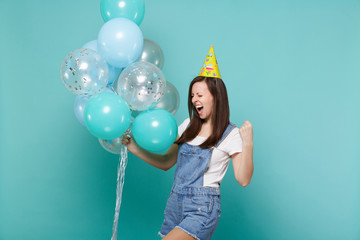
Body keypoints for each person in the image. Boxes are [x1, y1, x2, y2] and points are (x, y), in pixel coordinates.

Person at [121, 46, 254, 240]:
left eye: (200, 95)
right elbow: (167, 162)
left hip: (202, 207)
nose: (194, 100)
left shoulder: (230, 134)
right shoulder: (188, 125)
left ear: (216, 96)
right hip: (175, 202)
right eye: (192, 95)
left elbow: (243, 179)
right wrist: (134, 148)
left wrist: (248, 144)